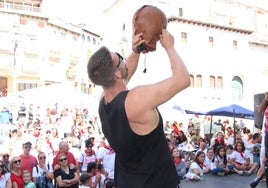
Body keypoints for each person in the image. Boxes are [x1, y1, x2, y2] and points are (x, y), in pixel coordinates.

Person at [87, 5, 190, 187]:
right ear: (116, 74)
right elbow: (182, 79)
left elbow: (124, 74)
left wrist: (135, 51)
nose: (123, 59)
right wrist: (169, 47)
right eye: (120, 58)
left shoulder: (103, 102)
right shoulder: (137, 99)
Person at [250, 91, 268, 188]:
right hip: (267, 134)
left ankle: (259, 176)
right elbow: (260, 110)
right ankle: (260, 176)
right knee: (264, 160)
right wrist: (265, 99)